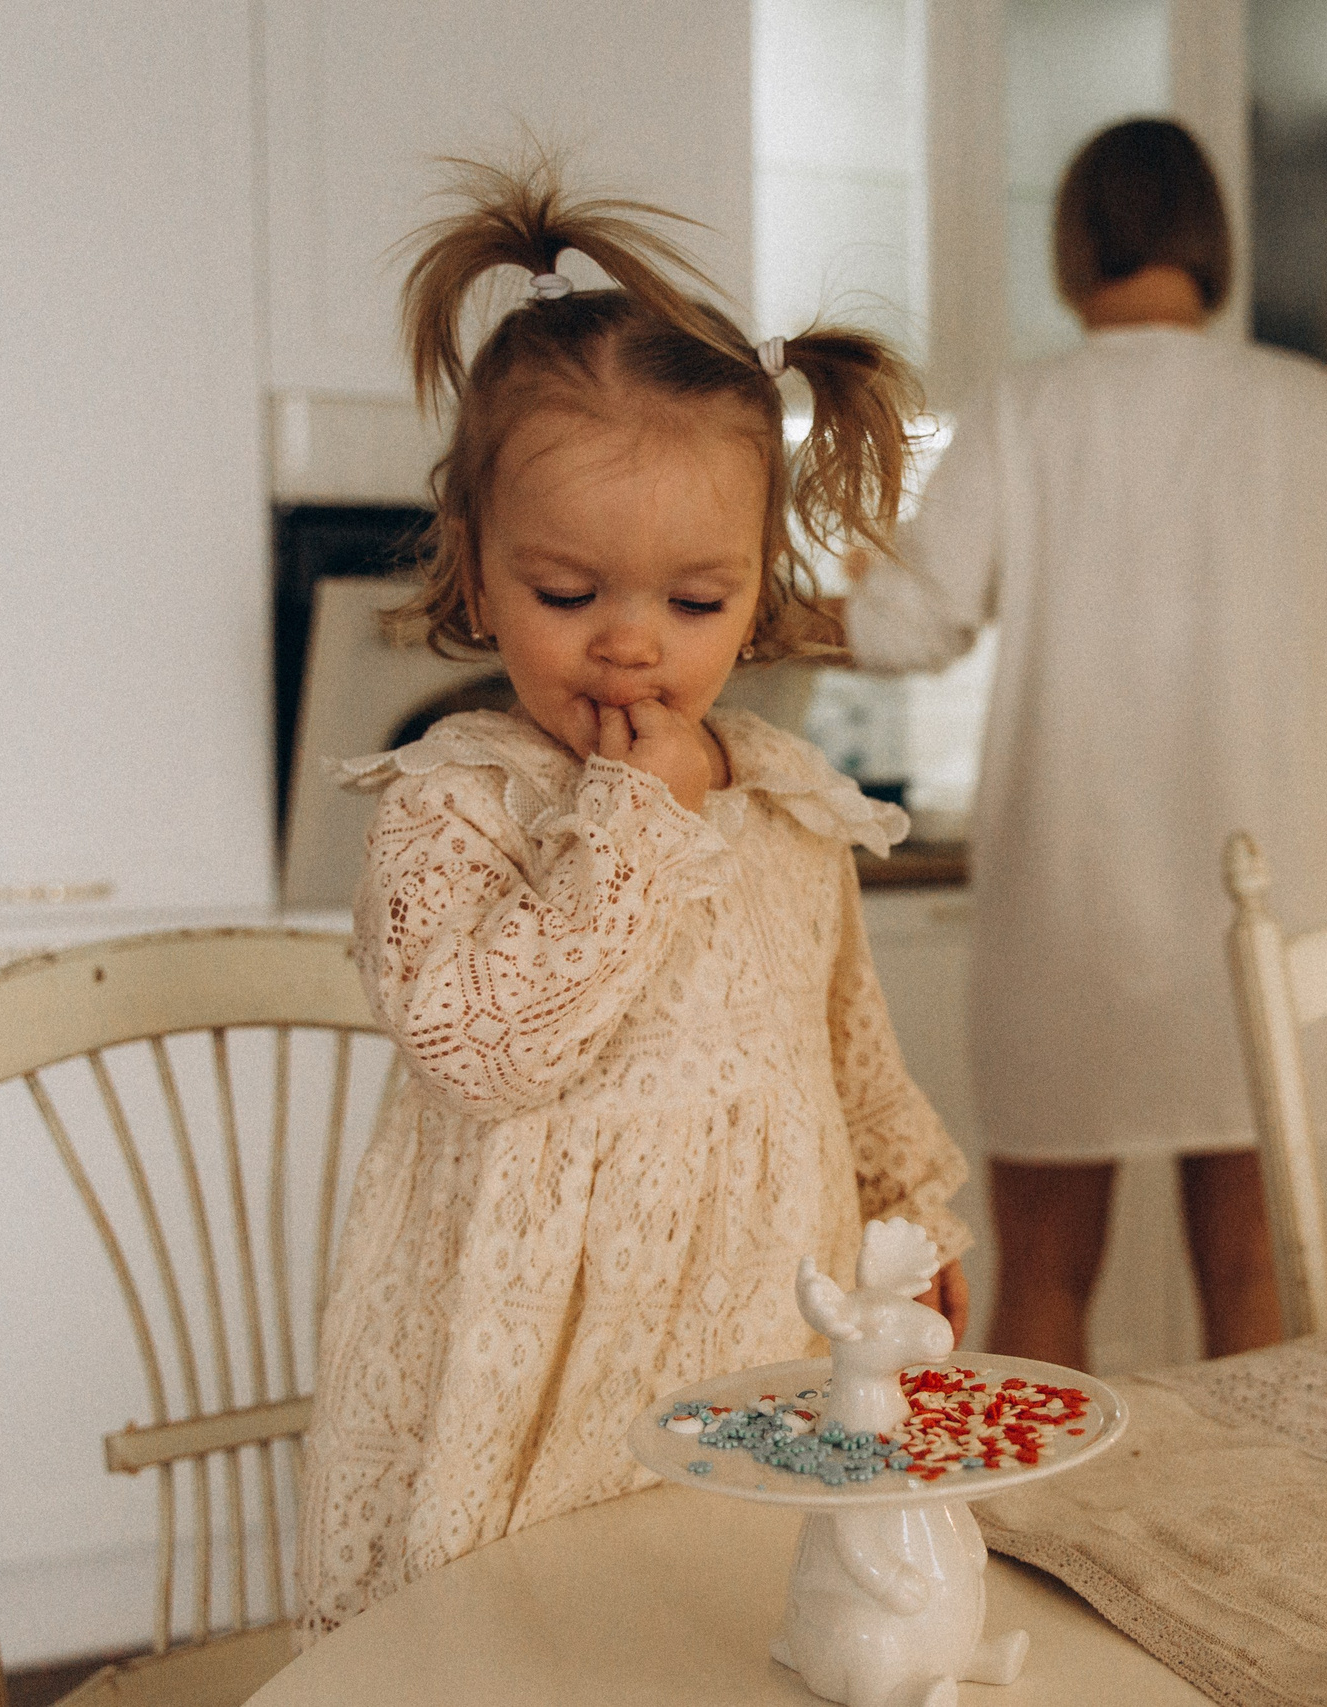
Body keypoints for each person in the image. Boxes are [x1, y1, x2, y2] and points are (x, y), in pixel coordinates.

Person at [295, 155, 972, 1639]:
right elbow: (487, 1046)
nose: (630, 646)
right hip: (531, 1381)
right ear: (472, 569)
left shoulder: (785, 801)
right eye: (568, 592)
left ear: (760, 584)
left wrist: (914, 1221)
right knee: (540, 1648)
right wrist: (628, 822)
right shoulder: (453, 801)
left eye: (694, 599)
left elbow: (846, 1046)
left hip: (760, 1341)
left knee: (734, 1634)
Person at [844, 119, 1327, 1369]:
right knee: (1252, 1285)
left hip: (1071, 919)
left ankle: (1030, 1554)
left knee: (1046, 1278)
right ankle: (1243, 1554)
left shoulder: (1026, 407)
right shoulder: (1315, 411)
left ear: (1072, 248)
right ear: (1211, 245)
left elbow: (905, 627)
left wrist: (835, 584)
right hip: (1254, 914)